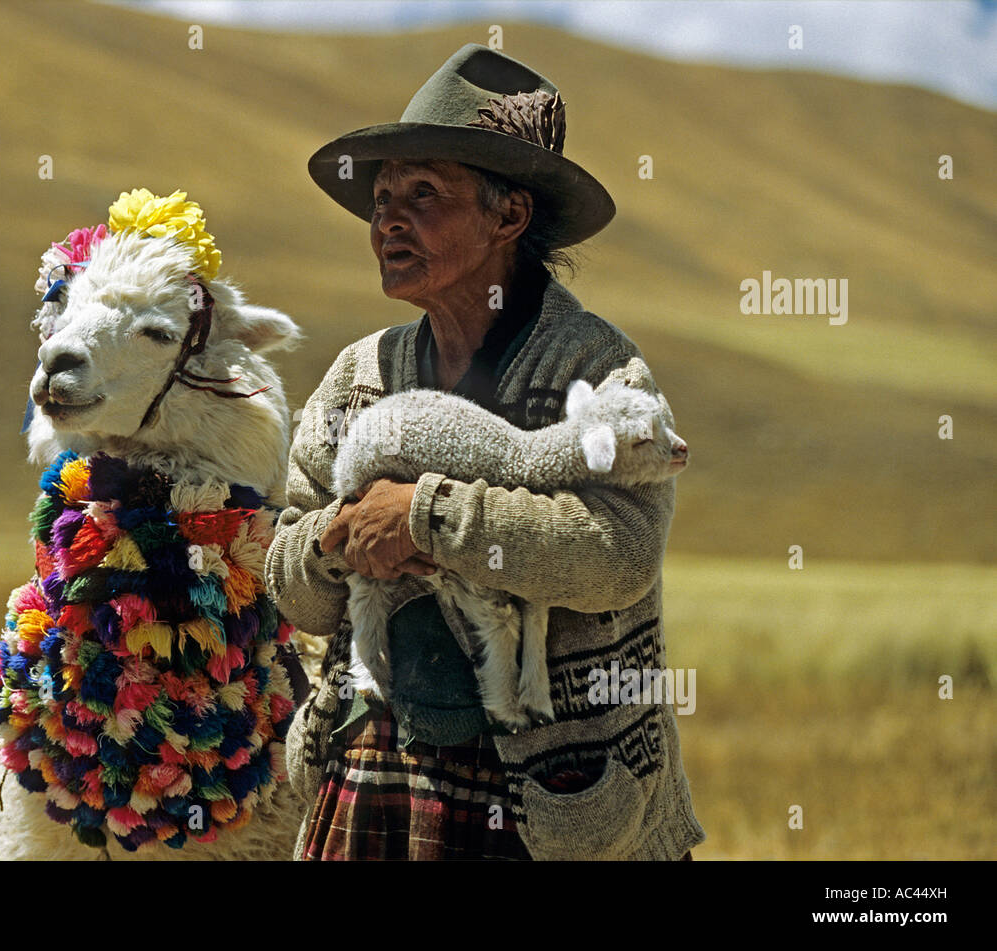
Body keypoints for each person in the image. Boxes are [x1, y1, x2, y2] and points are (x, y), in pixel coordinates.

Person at [266, 44, 706, 860]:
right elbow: (291, 581)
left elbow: (619, 554)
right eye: (383, 198)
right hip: (376, 783)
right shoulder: (358, 377)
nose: (388, 220)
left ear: (508, 216)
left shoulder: (595, 369)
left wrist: (427, 519)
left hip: (552, 802)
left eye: (423, 194)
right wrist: (341, 536)